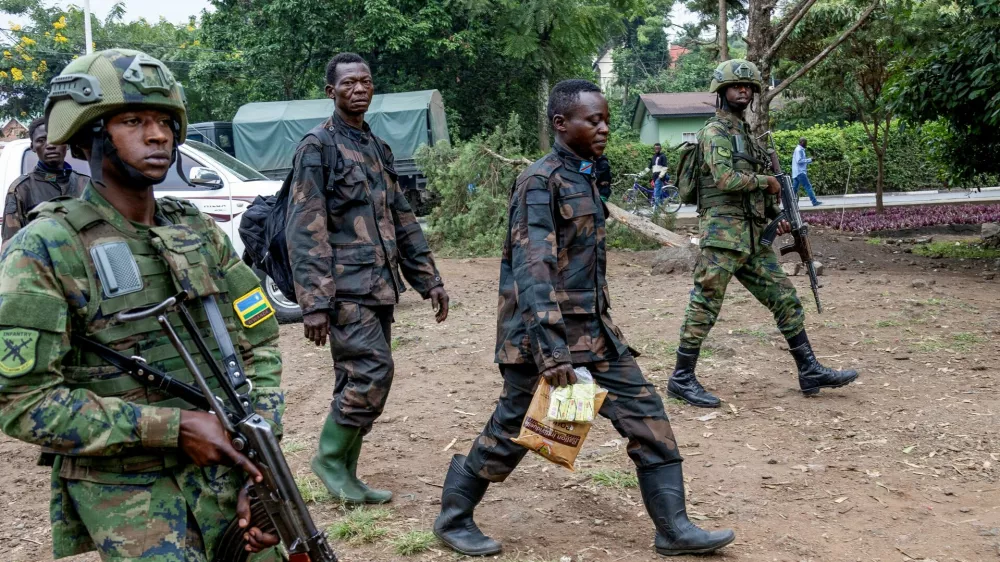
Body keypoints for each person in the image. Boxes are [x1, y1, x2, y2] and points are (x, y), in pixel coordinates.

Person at [432, 79, 735, 558]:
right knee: (513, 430)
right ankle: (453, 519)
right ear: (560, 123)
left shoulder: (587, 174)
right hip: (541, 340)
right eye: (593, 119)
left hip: (594, 334)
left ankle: (673, 529)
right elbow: (534, 271)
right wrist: (551, 352)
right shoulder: (539, 181)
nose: (604, 127)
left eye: (606, 119)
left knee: (646, 416)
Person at [0, 49, 282, 560]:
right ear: (89, 138)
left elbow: (259, 338)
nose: (158, 136)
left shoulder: (195, 230)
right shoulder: (48, 246)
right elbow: (22, 401)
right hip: (129, 496)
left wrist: (261, 453)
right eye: (133, 121)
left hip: (229, 471)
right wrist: (171, 430)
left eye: (165, 122)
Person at [286, 52, 449, 504]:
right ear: (330, 92)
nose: (359, 89)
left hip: (378, 286)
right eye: (348, 84)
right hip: (343, 290)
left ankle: (348, 475)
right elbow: (305, 226)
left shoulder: (376, 148)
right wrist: (314, 302)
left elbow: (402, 218)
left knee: (358, 376)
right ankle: (328, 460)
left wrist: (428, 278)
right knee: (373, 372)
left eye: (365, 82)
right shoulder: (316, 147)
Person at [666, 60, 858, 409]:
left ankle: (809, 369)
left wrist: (776, 217)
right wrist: (766, 182)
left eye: (749, 86)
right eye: (736, 85)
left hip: (754, 238)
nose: (743, 90)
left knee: (785, 298)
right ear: (721, 91)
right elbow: (725, 179)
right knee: (705, 304)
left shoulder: (750, 138)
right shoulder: (714, 133)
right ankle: (681, 378)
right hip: (723, 236)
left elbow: (759, 193)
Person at [2, 117, 89, 242]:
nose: (49, 145)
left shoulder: (86, 184)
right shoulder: (21, 189)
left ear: (66, 143)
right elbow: (10, 244)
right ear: (32, 146)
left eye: (55, 139)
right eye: (41, 140)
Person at [792, 137, 821, 206]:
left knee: (794, 190)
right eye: (805, 142)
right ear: (802, 142)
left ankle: (790, 203)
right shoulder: (799, 150)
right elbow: (799, 161)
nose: (806, 144)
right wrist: (810, 160)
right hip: (800, 172)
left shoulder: (798, 149)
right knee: (808, 187)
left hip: (796, 172)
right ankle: (814, 202)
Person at [649, 142, 669, 206]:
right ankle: (662, 206)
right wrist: (640, 174)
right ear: (654, 149)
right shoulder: (653, 157)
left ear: (660, 148)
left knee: (656, 193)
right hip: (655, 178)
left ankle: (656, 210)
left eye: (658, 148)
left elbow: (665, 168)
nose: (657, 149)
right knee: (658, 192)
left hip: (659, 178)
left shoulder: (663, 156)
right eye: (655, 148)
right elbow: (649, 167)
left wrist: (660, 177)